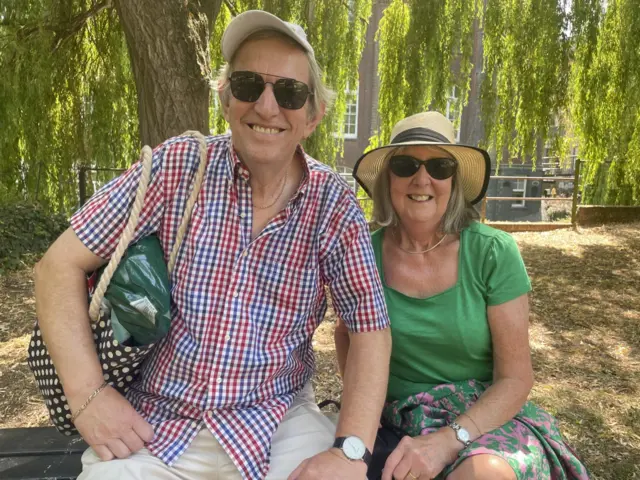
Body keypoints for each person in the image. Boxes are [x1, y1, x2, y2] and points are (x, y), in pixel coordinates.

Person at [34, 10, 391, 480]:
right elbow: (56, 267)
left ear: (313, 115)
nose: (266, 107)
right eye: (248, 85)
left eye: (289, 92)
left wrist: (349, 451)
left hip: (276, 421)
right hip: (154, 425)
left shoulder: (333, 202)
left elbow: (368, 328)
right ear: (225, 98)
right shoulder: (176, 167)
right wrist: (89, 398)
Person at [336, 112, 590, 479]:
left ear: (453, 181)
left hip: (483, 418)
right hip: (395, 418)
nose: (422, 179)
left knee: (483, 473)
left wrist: (447, 441)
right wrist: (365, 411)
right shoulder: (363, 254)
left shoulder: (493, 253)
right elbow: (346, 334)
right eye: (406, 164)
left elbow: (516, 379)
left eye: (439, 166)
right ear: (388, 179)